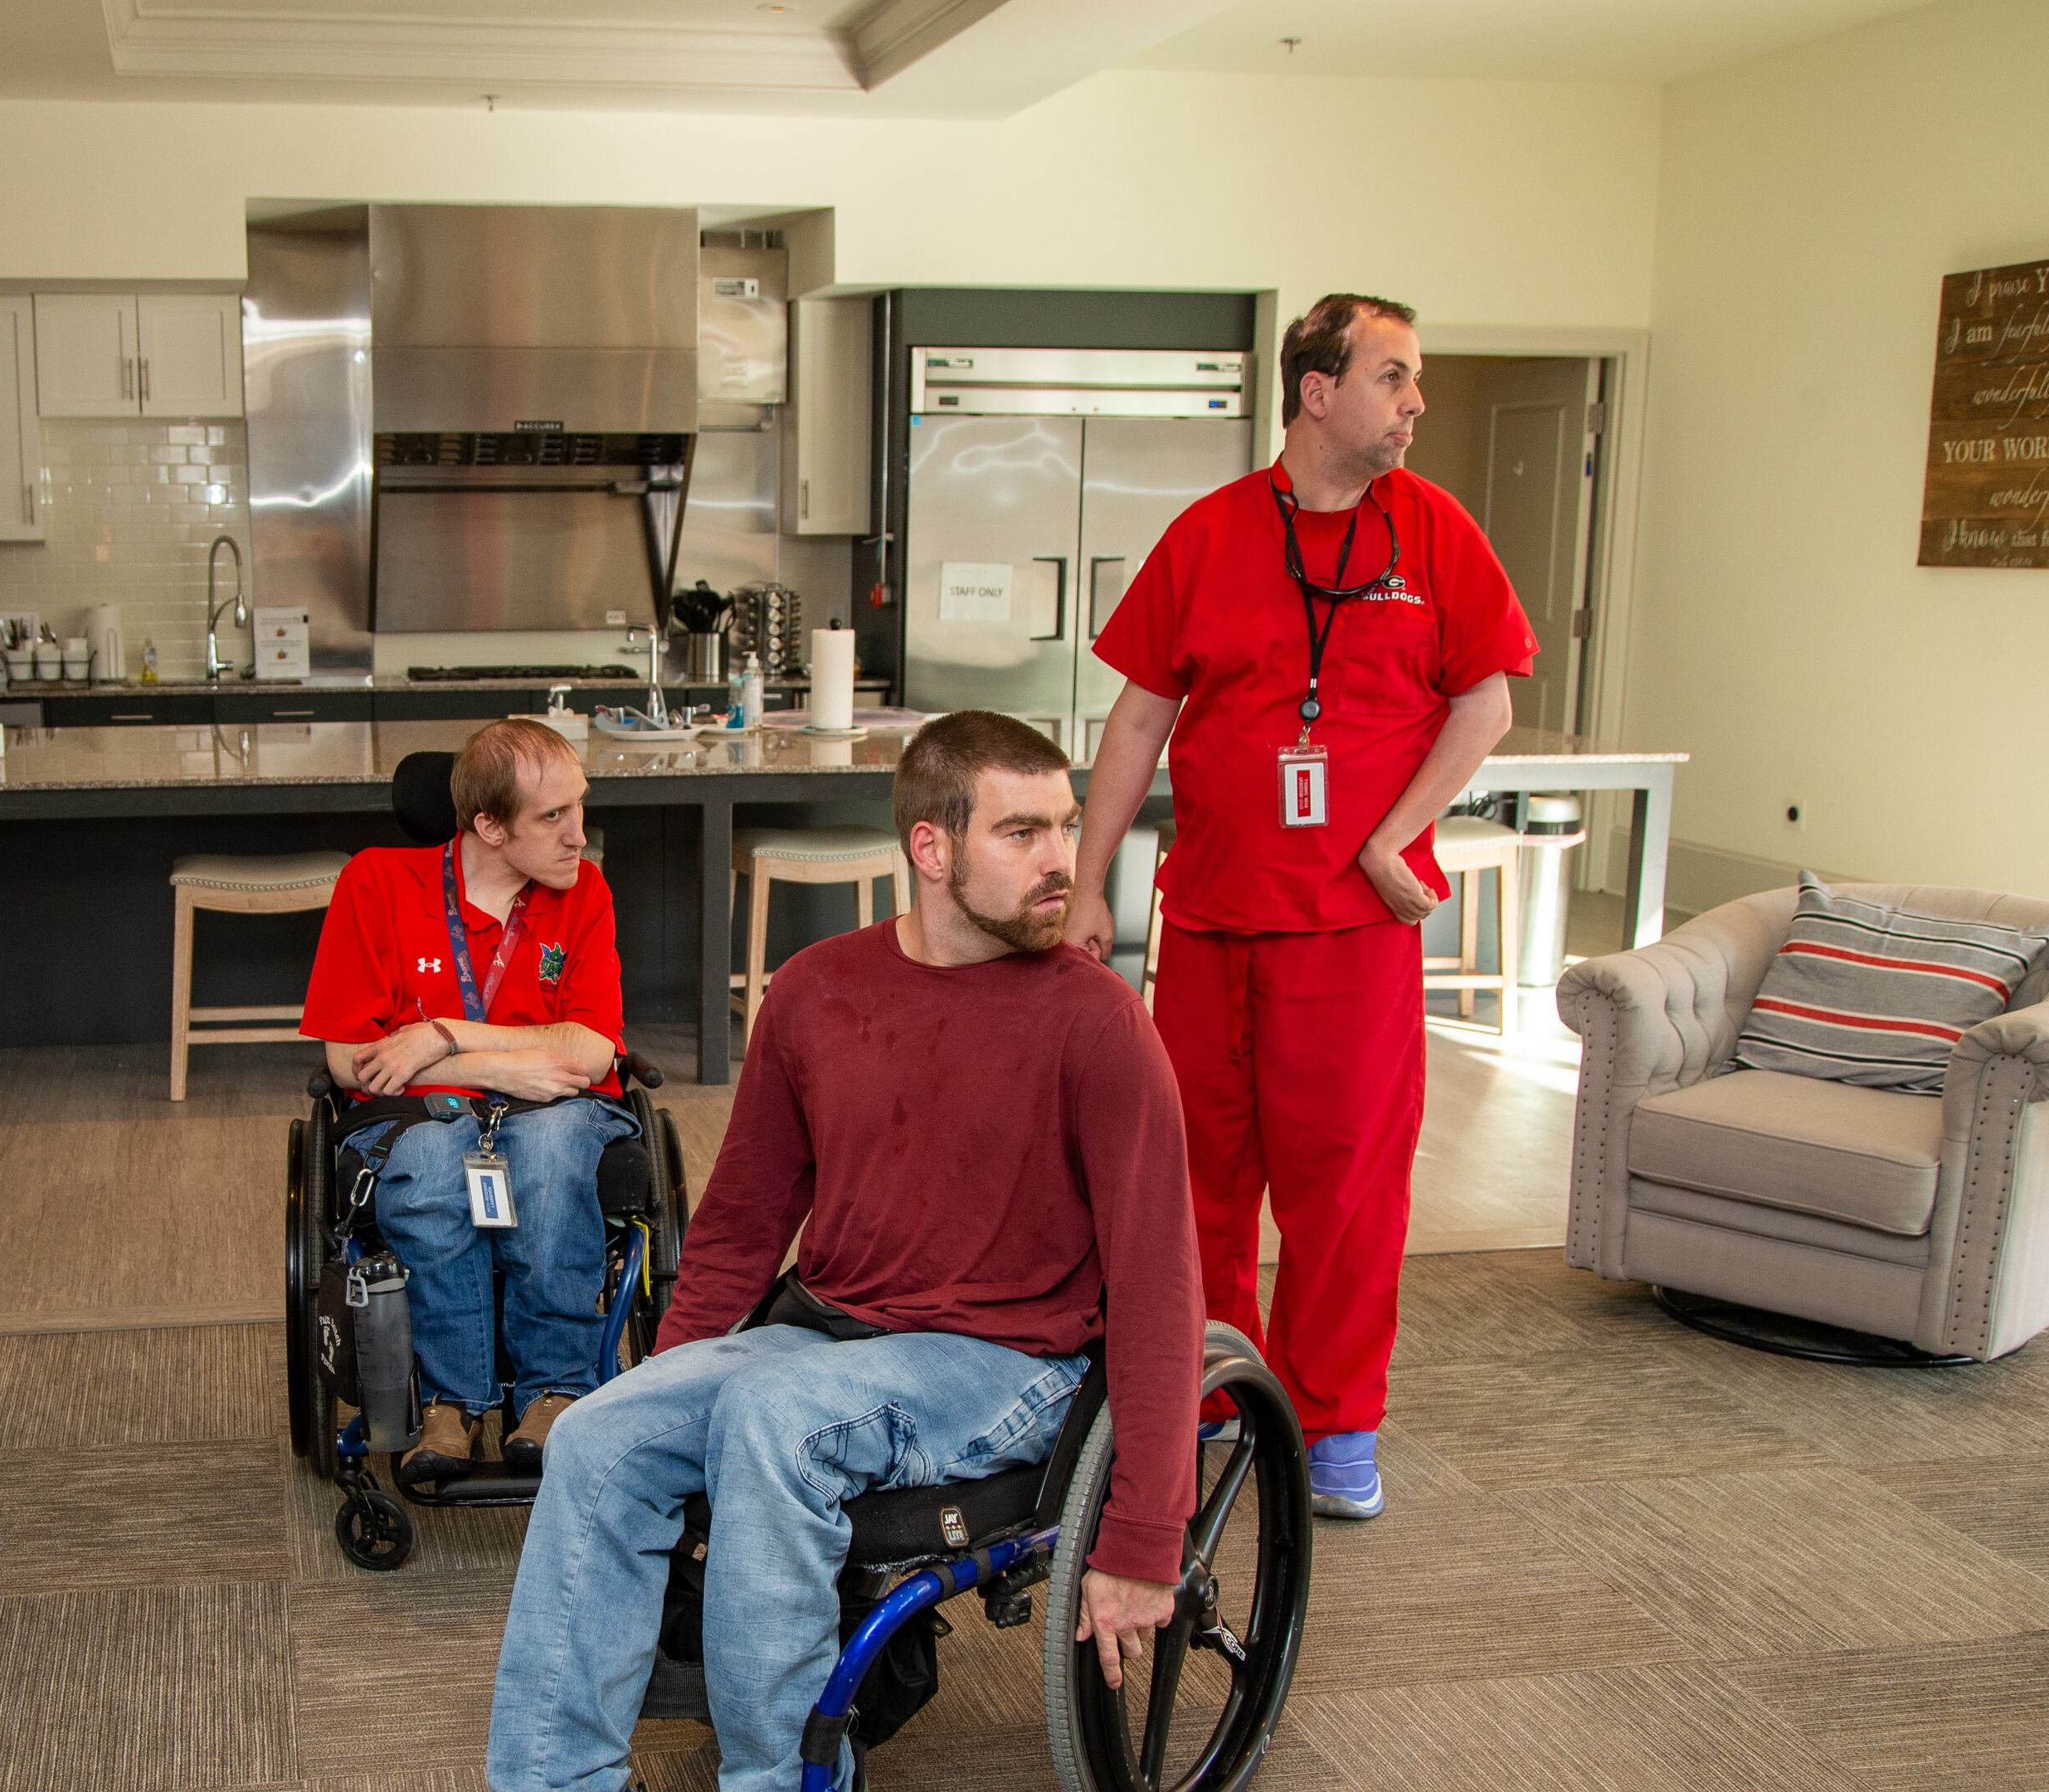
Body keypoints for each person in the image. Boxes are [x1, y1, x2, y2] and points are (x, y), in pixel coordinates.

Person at [487, 711, 1201, 1792]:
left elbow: (1160, 1289)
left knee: (777, 1425)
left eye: (1064, 827)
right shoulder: (817, 993)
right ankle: (550, 1779)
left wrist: (1145, 1539)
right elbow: (738, 1225)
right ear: (932, 849)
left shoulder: (1100, 1025)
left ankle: (779, 1781)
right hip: (833, 1331)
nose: (1063, 860)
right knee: (598, 1437)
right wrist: (674, 1374)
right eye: (1023, 833)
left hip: (1008, 1359)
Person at [1063, 293, 1538, 1522]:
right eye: (1393, 377)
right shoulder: (1212, 534)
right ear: (1317, 392)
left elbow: (1486, 700)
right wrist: (1084, 889)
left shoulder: (1433, 533)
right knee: (1199, 1181)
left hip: (1350, 935)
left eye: (1416, 377)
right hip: (1214, 923)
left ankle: (1335, 1427)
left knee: (1344, 1191)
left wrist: (1396, 832)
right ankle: (1216, 1396)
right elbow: (1138, 719)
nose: (1416, 402)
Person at [299, 718, 634, 1486]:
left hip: (552, 1110)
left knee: (549, 1155)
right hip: (426, 1119)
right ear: (489, 824)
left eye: (580, 807)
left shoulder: (584, 893)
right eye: (554, 816)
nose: (579, 836)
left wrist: (444, 1038)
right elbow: (350, 1060)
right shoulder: (377, 883)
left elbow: (590, 1052)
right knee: (428, 1163)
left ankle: (557, 1389)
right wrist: (509, 1066)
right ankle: (454, 1402)